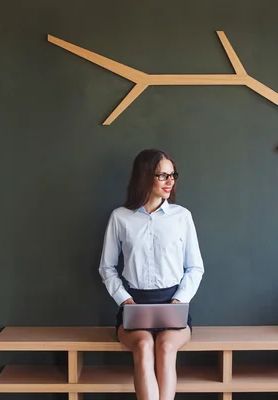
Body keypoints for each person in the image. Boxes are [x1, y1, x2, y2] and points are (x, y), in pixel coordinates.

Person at [98, 148, 205, 400]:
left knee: (166, 346)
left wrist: (180, 300)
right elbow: (107, 267)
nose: (170, 181)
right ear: (145, 177)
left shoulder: (182, 217)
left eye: (172, 175)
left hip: (174, 305)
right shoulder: (120, 217)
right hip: (133, 306)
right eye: (162, 176)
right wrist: (125, 300)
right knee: (145, 346)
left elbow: (195, 267)